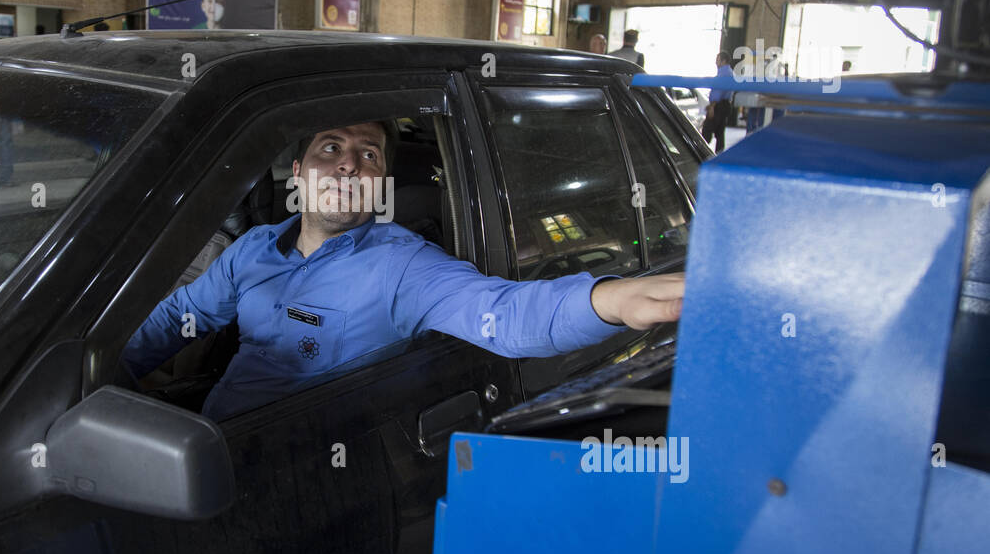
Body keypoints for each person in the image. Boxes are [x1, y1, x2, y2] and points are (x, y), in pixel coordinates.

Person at [123, 120, 686, 421]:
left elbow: (502, 315)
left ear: (380, 182)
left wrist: (610, 300)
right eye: (331, 148)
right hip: (213, 438)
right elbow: (183, 315)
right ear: (297, 173)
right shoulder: (253, 249)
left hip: (307, 469)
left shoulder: (399, 265)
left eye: (368, 155)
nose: (349, 161)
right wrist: (100, 372)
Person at [702, 51, 735, 152]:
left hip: (719, 105)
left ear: (723, 61)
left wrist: (712, 107)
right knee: (720, 134)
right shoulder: (730, 72)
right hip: (725, 105)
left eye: (717, 59)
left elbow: (718, 92)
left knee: (707, 130)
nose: (716, 62)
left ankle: (701, 153)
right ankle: (719, 155)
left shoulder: (723, 73)